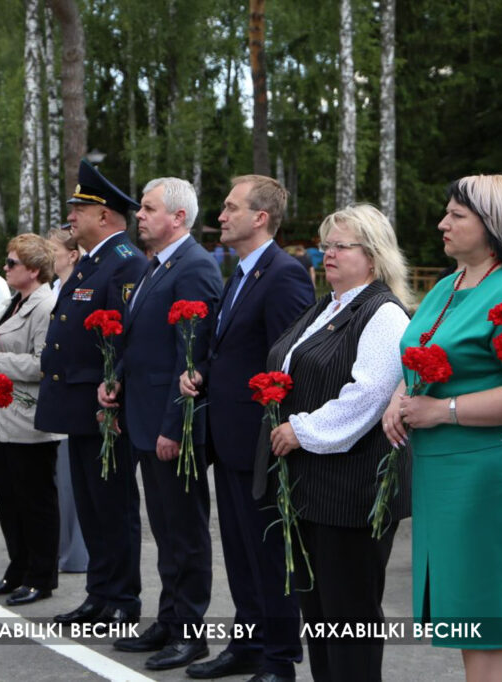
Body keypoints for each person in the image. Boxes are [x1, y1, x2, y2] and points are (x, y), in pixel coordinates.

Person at [384, 175, 502, 681]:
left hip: (486, 468)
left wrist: (442, 411)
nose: (443, 224)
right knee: (459, 601)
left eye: (457, 215)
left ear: (491, 224)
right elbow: (420, 352)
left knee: (482, 603)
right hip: (441, 467)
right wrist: (398, 396)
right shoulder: (448, 284)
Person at [254, 204, 411, 682]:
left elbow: (370, 394)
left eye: (342, 246)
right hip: (312, 486)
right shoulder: (330, 304)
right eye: (327, 246)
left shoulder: (383, 313)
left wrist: (301, 430)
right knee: (320, 615)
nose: (329, 254)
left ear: (374, 255)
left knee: (350, 616)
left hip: (351, 490)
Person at [180, 175, 314, 682]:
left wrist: (278, 433)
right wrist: (202, 374)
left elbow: (290, 363)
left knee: (268, 552)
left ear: (260, 218)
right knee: (240, 551)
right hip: (230, 437)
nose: (220, 216)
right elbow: (232, 350)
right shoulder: (239, 273)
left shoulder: (284, 274)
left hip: (262, 442)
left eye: (230, 207)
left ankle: (280, 659)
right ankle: (249, 644)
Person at [98, 176, 222, 671]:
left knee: (184, 532)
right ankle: (169, 620)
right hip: (145, 418)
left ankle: (190, 631)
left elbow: (191, 358)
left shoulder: (194, 268)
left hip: (173, 426)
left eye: (149, 209)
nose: (139, 216)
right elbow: (142, 343)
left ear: (178, 217)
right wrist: (116, 381)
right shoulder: (157, 265)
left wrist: (175, 425)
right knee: (166, 530)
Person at [34, 160, 147, 625]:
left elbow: (127, 338)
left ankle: (122, 599)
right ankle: (99, 594)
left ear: (104, 216)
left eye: (78, 210)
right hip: (80, 407)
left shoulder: (125, 262)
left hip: (105, 409)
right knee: (92, 507)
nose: (71, 217)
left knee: (113, 507)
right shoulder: (93, 263)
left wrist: (114, 391)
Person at [0, 234, 65, 606]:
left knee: (35, 502)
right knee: (8, 499)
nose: (5, 267)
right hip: (4, 416)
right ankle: (18, 569)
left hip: (29, 420)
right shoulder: (17, 301)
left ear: (34, 270)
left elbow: (46, 363)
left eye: (12, 263)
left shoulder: (46, 305)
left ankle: (40, 577)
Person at [47, 225, 88, 574]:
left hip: (73, 392)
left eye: (54, 252)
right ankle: (64, 549)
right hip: (56, 394)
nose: (48, 258)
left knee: (73, 483)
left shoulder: (80, 289)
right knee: (61, 482)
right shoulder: (55, 288)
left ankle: (76, 554)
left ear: (72, 255)